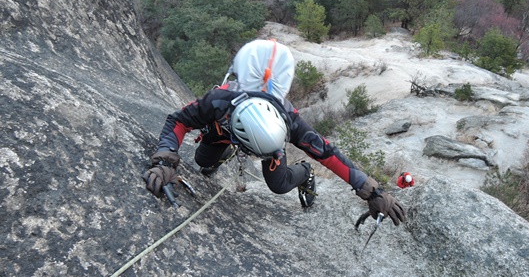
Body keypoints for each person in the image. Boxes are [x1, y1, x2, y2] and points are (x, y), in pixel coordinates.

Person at [143, 39, 405, 225]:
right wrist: (165, 161)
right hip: (222, 132)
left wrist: (372, 192)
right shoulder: (218, 101)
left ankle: (305, 173)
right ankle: (224, 151)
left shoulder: (290, 120)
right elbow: (178, 121)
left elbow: (326, 152)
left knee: (279, 185)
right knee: (203, 161)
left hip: (263, 141)